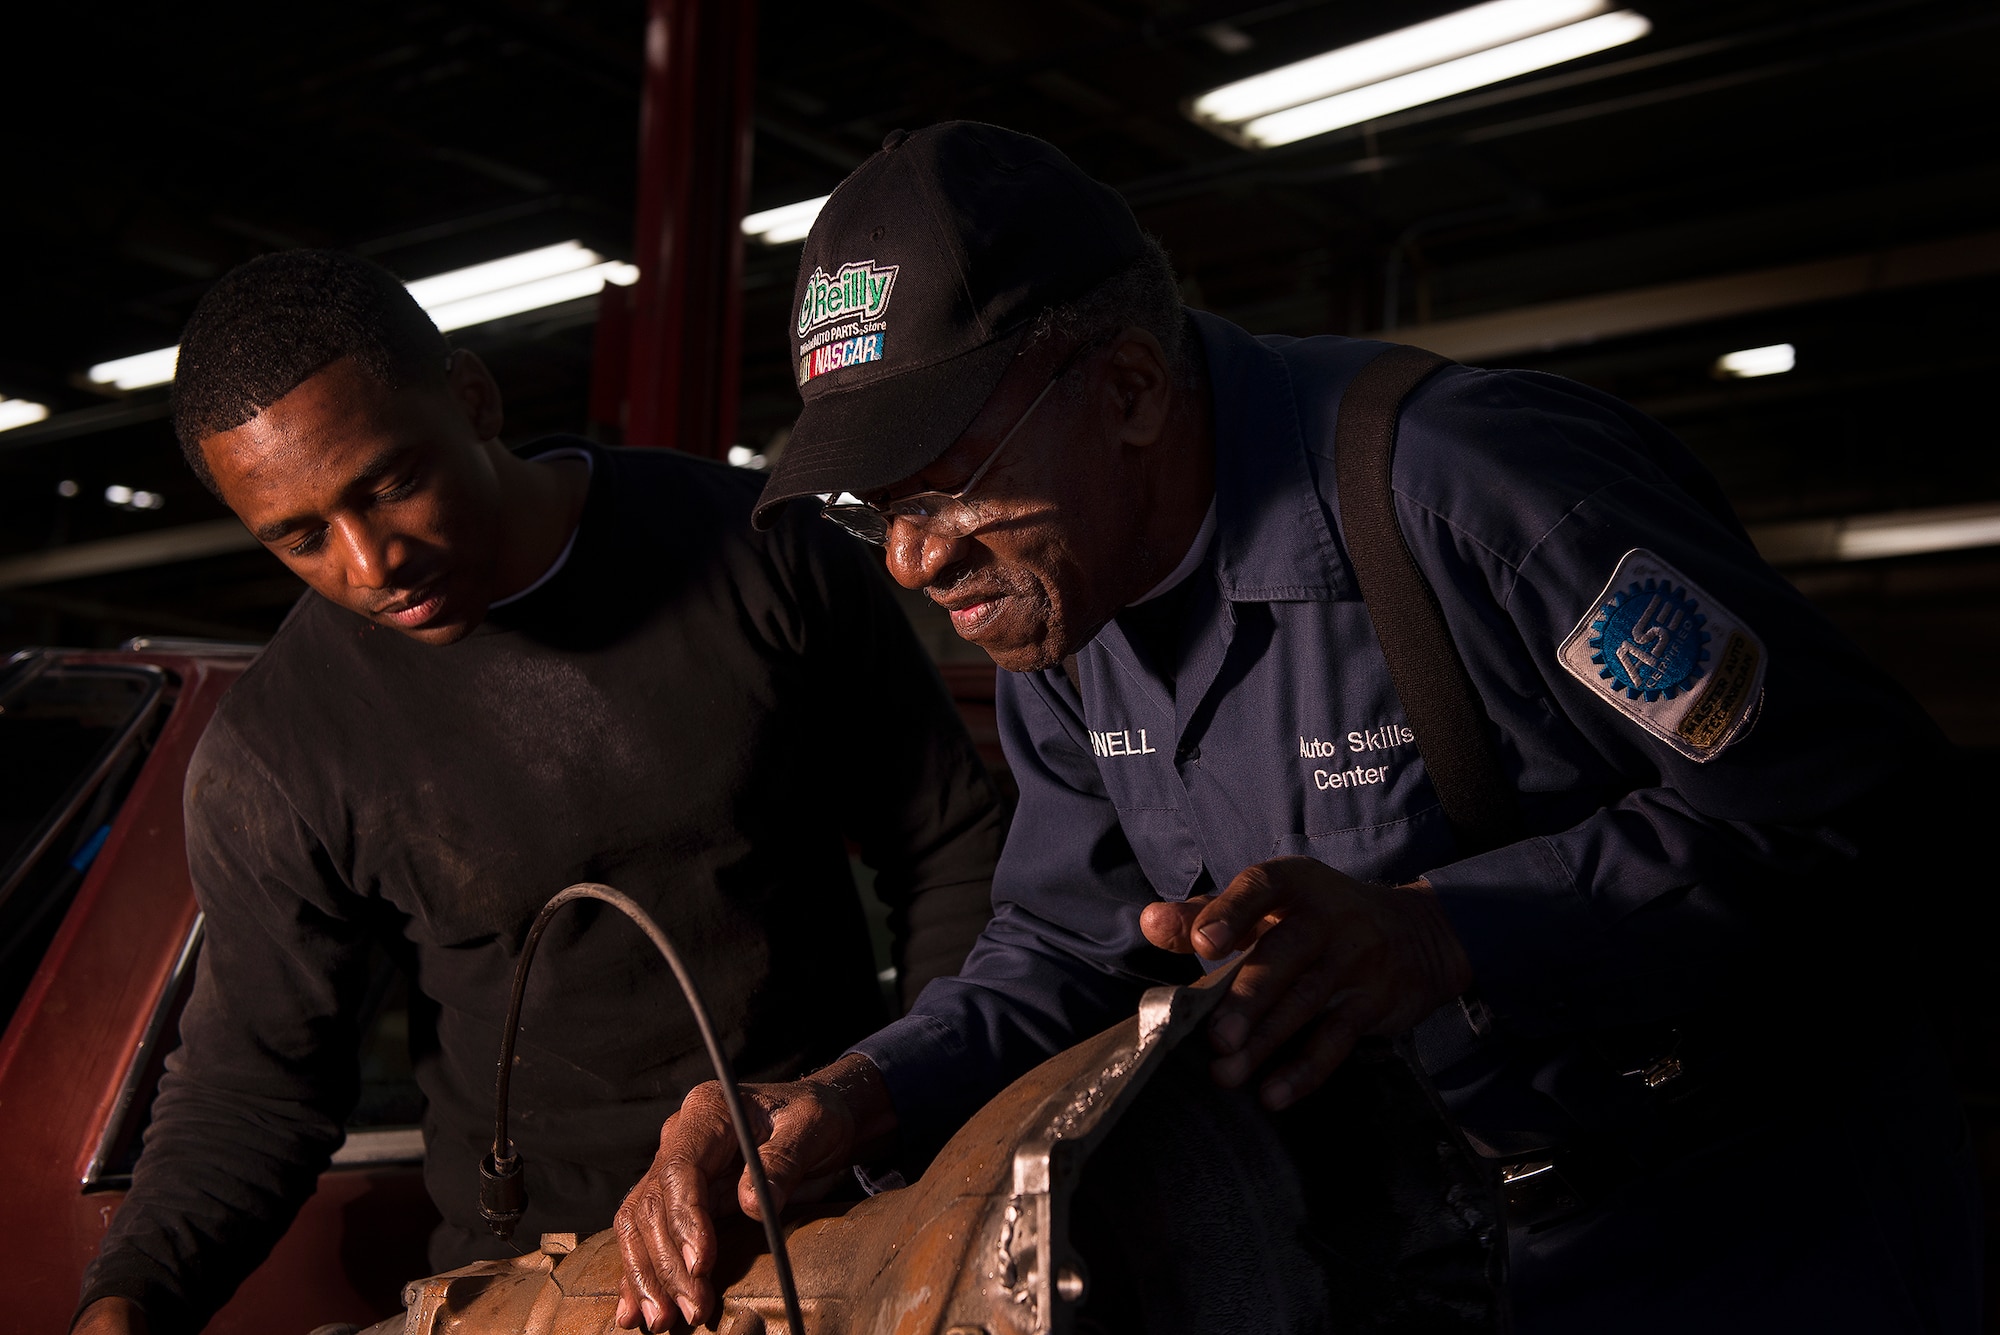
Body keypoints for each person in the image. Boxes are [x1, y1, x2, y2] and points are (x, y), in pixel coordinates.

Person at [612, 123, 1981, 1333]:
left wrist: (1448, 928)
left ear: (1132, 389)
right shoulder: (1063, 610)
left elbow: (1863, 806)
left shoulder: (1468, 490)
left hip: (1758, 1228)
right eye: (871, 513)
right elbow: (1062, 943)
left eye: (945, 488)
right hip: (1437, 1257)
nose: (913, 562)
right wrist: (850, 1096)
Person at [73, 250, 1006, 1335]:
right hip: (543, 1284)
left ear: (473, 398)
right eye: (300, 536)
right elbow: (252, 1087)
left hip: (833, 1231)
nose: (370, 563)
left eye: (388, 483)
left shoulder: (759, 551)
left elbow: (950, 848)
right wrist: (124, 1301)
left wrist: (900, 1121)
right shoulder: (279, 751)